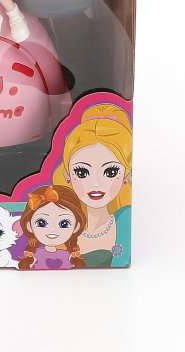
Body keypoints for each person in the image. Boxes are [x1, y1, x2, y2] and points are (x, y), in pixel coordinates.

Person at [52, 103, 133, 267]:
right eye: (82, 172)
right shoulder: (56, 223)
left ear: (127, 175)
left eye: (110, 172)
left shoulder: (124, 220)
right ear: (67, 175)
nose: (96, 183)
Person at [16, 184, 86, 270]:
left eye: (64, 224)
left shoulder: (68, 256)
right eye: (41, 223)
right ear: (29, 225)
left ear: (76, 226)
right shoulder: (34, 256)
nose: (52, 230)